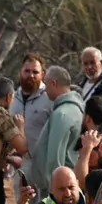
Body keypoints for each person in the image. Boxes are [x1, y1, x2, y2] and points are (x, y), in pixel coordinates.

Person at [31, 66, 85, 197]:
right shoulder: (74, 109)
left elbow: (55, 157)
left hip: (56, 188)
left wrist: (53, 189)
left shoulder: (62, 114)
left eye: (46, 85)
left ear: (53, 83)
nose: (45, 89)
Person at [10, 54, 53, 204]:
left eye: (35, 72)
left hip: (44, 165)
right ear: (20, 72)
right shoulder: (13, 98)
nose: (31, 75)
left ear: (43, 74)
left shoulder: (50, 97)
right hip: (20, 165)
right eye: (27, 71)